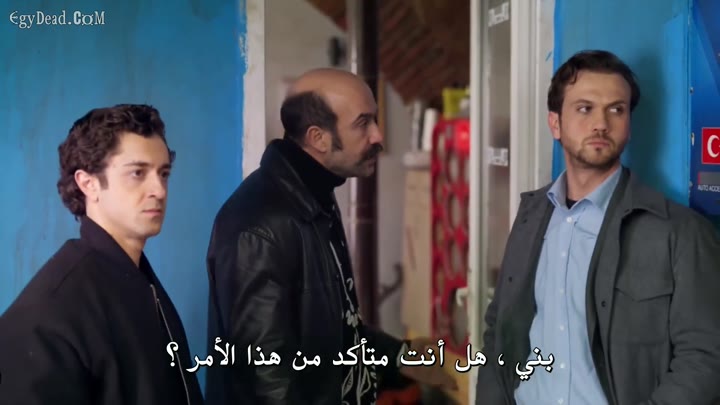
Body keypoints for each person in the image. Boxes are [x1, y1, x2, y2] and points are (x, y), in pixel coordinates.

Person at [474, 50, 720, 405]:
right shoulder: (530, 217)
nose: (601, 124)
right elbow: (499, 329)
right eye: (585, 108)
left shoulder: (679, 233)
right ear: (555, 123)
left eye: (616, 109)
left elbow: (704, 358)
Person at [204, 68, 457, 405]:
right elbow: (267, 383)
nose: (378, 135)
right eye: (363, 123)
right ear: (318, 138)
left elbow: (332, 330)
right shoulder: (259, 227)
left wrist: (402, 356)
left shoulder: (313, 196)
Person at [0, 104, 204, 405]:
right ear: (88, 184)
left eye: (163, 174)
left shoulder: (142, 284)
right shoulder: (47, 314)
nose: (159, 190)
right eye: (137, 173)